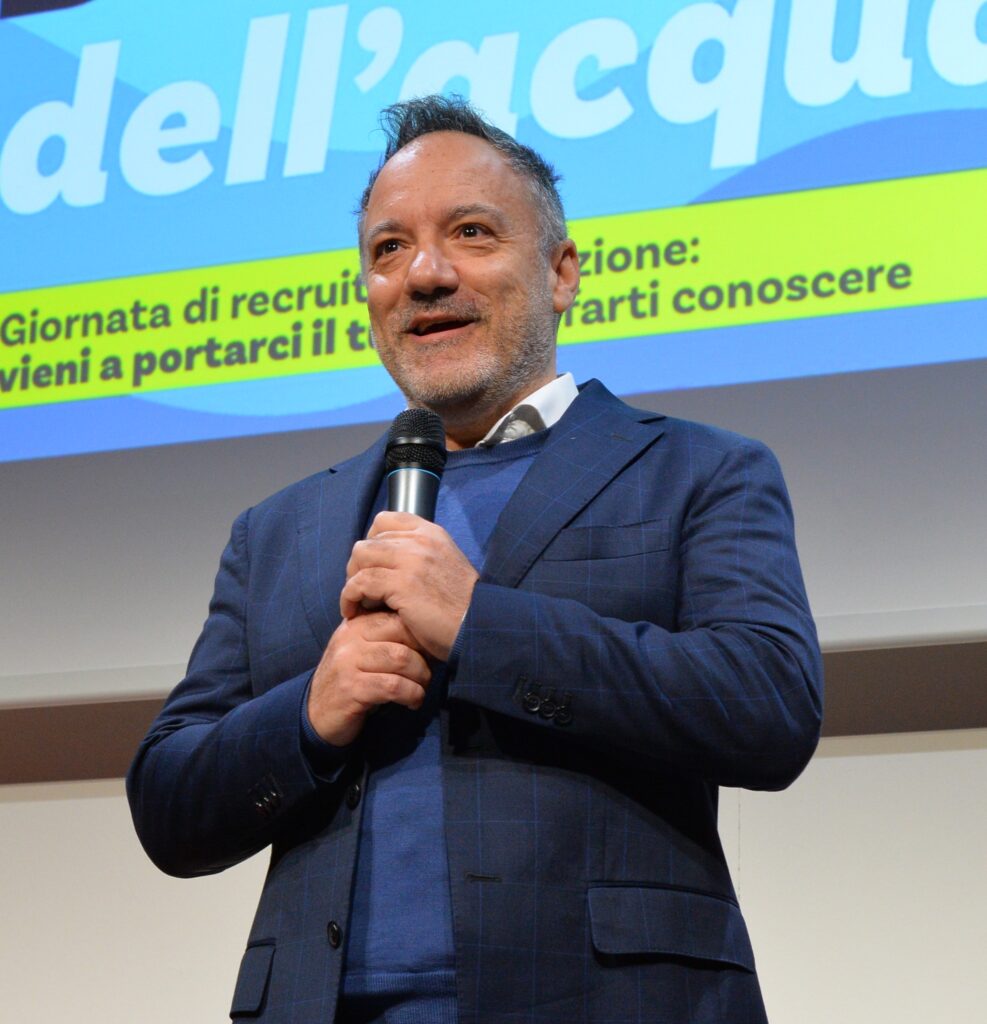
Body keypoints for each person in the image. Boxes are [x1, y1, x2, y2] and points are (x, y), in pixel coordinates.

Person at [128, 95, 823, 1024]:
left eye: (471, 233)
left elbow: (768, 706)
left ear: (561, 272)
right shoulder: (279, 529)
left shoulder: (698, 470)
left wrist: (478, 624)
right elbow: (169, 804)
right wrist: (309, 714)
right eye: (388, 249)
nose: (423, 274)